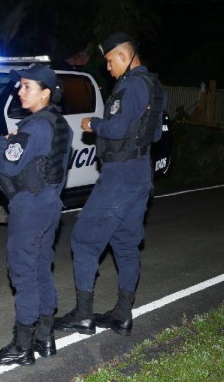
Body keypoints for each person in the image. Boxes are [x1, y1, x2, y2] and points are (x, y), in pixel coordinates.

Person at [54, 32, 167, 336]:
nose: (107, 68)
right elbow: (155, 135)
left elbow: (115, 129)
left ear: (122, 55)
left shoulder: (130, 87)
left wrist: (93, 124)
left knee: (83, 240)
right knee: (125, 245)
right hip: (141, 176)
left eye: (108, 61)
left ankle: (82, 314)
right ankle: (122, 314)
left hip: (118, 179)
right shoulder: (155, 87)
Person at [0, 63, 73, 366]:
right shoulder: (61, 125)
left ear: (46, 93)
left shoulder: (33, 127)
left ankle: (22, 346)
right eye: (19, 85)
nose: (19, 92)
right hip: (50, 204)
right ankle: (45, 337)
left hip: (30, 205)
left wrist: (2, 143)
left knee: (23, 274)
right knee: (40, 270)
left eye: (27, 87)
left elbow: (8, 167)